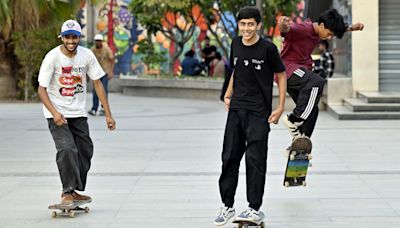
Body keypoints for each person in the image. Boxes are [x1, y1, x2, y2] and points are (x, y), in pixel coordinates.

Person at [214, 6, 287, 226]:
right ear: (239, 25)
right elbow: (236, 70)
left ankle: (254, 208)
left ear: (258, 25)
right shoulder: (236, 44)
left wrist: (281, 106)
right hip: (236, 109)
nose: (246, 28)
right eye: (243, 24)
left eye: (250, 24)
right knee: (229, 157)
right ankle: (227, 206)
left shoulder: (267, 49)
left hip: (259, 111)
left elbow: (281, 75)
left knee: (255, 160)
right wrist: (227, 94)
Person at [37, 20, 116, 205]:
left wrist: (108, 114)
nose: (71, 41)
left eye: (74, 37)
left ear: (79, 38)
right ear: (62, 38)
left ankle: (74, 190)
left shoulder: (86, 55)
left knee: (85, 149)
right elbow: (41, 89)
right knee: (66, 149)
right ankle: (67, 191)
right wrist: (55, 113)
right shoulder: (52, 57)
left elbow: (97, 82)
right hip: (57, 113)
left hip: (78, 113)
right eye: (67, 37)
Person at [278, 9, 364, 138]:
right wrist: (283, 26)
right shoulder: (303, 29)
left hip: (300, 73)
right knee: (316, 81)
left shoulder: (320, 28)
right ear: (322, 25)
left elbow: (336, 28)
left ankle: (302, 142)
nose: (329, 37)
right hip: (289, 70)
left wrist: (351, 28)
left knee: (312, 109)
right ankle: (293, 120)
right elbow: (287, 30)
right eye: (329, 34)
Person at [88, 34, 114, 116]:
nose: (98, 43)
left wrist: (110, 71)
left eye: (99, 41)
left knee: (104, 90)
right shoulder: (92, 50)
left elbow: (111, 59)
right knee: (95, 91)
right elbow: (88, 62)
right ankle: (94, 108)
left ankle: (103, 108)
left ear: (102, 42)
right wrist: (88, 74)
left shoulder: (106, 49)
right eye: (96, 41)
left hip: (104, 72)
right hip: (95, 73)